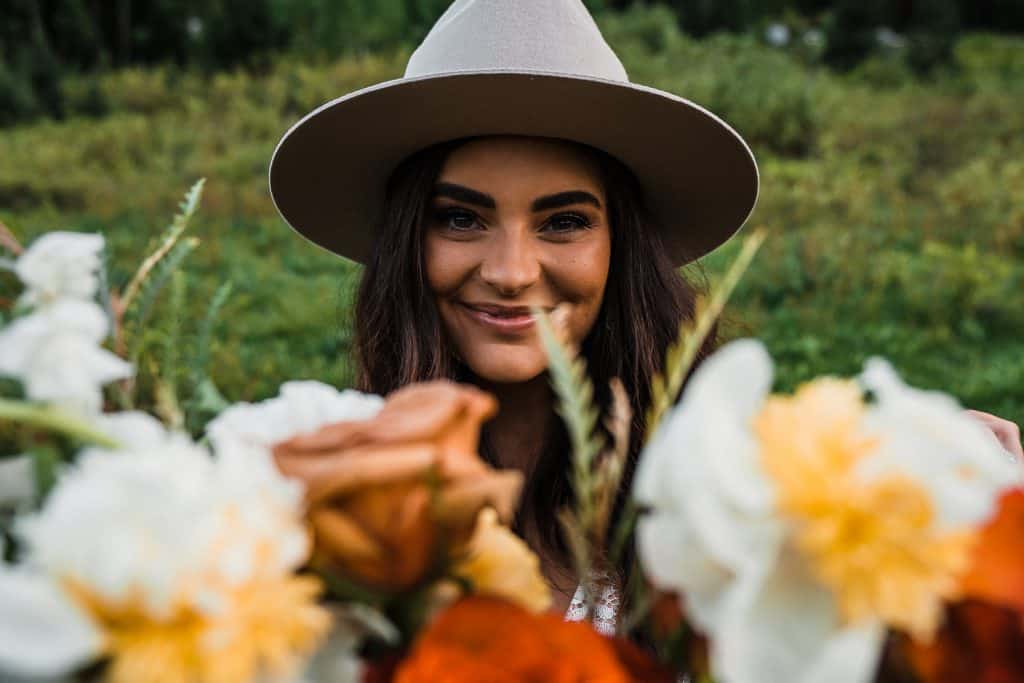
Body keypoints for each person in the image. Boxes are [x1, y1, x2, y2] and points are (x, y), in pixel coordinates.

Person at [269, 0, 1022, 623]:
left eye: (563, 221)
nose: (510, 271)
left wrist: (936, 481)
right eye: (461, 218)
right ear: (408, 241)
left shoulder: (736, 506)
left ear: (620, 247)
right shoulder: (307, 514)